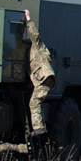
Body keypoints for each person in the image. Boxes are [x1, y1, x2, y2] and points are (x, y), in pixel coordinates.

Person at [24, 10, 55, 148]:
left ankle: (38, 128)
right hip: (44, 78)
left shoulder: (37, 47)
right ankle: (39, 127)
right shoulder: (40, 50)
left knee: (34, 102)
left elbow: (35, 35)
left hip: (43, 77)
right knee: (37, 102)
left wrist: (28, 20)